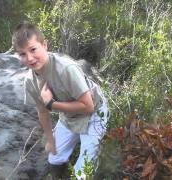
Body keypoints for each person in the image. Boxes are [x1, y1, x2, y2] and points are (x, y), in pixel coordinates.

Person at [12, 22, 109, 179]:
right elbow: (42, 112)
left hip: (94, 114)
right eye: (22, 54)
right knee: (54, 158)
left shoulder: (65, 68)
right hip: (68, 116)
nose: (29, 58)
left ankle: (95, 149)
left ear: (44, 45)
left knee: (82, 173)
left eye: (33, 49)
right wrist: (50, 141)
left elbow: (88, 106)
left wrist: (52, 104)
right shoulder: (30, 81)